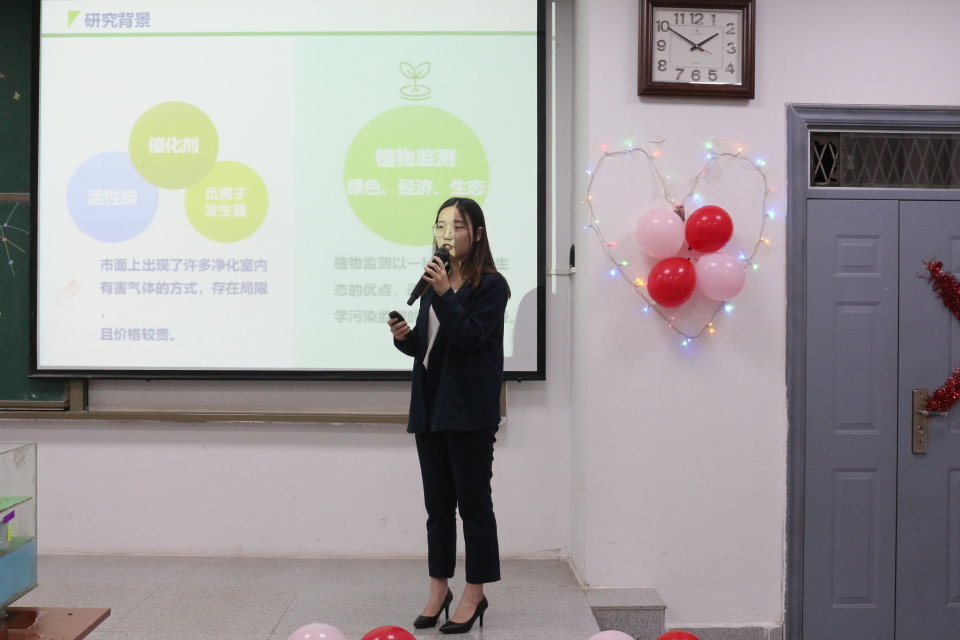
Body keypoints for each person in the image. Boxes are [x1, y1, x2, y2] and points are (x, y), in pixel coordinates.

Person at [387, 197, 510, 634]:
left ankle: (475, 592)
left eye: (457, 226)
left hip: (469, 413)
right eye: (441, 226)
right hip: (431, 408)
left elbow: (471, 339)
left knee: (474, 507)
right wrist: (406, 339)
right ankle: (439, 589)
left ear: (476, 234)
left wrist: (445, 294)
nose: (448, 234)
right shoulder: (434, 283)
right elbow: (432, 348)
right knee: (437, 509)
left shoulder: (491, 286)